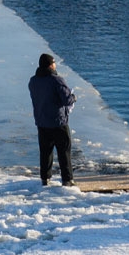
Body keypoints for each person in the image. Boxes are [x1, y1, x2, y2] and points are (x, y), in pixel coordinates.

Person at [29, 53, 78, 186]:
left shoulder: (33, 81)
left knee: (45, 152)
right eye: (54, 63)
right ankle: (67, 180)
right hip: (58, 122)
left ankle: (45, 179)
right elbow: (67, 100)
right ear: (51, 65)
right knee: (64, 151)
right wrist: (73, 97)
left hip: (42, 122)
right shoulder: (56, 80)